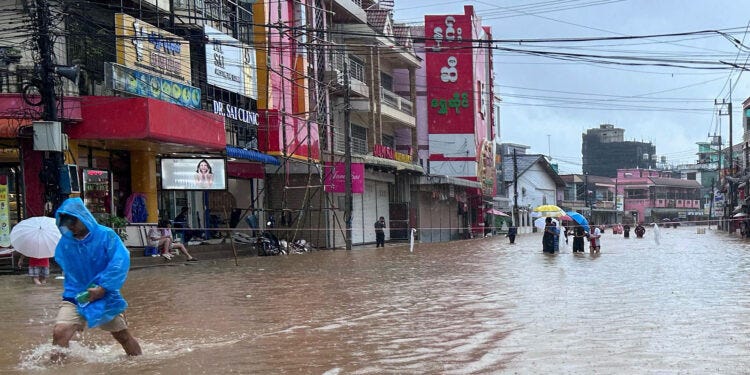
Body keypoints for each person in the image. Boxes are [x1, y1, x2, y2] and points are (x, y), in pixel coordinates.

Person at [51, 197, 142, 361]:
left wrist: (103, 287)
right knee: (60, 333)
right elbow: (68, 268)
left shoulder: (106, 235)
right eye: (68, 226)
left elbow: (120, 261)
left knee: (122, 336)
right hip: (76, 295)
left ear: (83, 217)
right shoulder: (66, 243)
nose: (72, 229)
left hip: (104, 295)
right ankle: (56, 370)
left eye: (74, 224)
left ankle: (140, 364)